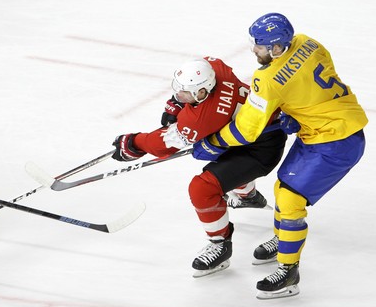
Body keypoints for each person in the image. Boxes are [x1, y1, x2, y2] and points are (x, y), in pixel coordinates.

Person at [194, 13, 368, 299]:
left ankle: (289, 273)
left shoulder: (268, 78)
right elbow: (310, 86)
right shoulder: (309, 43)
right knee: (283, 184)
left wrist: (214, 143)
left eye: (260, 46)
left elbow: (247, 130)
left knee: (289, 198)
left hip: (335, 141)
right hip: (326, 128)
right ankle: (284, 239)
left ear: (276, 48)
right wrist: (294, 113)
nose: (254, 51)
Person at [111, 57, 286, 277]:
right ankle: (247, 195)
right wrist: (178, 103)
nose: (179, 94)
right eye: (179, 89)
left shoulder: (202, 119)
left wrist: (134, 144)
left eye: (187, 93)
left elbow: (165, 144)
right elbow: (205, 63)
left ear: (203, 92)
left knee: (202, 188)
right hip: (245, 132)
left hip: (259, 148)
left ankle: (219, 243)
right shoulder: (216, 71)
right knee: (220, 158)